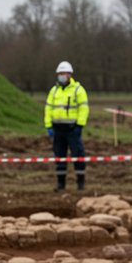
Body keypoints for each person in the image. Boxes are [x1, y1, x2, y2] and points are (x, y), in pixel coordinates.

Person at [44, 61, 89, 191]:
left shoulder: (78, 90)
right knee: (59, 157)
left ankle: (80, 184)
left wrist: (79, 126)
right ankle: (60, 184)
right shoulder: (54, 91)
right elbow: (48, 109)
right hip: (57, 130)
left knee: (78, 155)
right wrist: (49, 126)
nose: (61, 76)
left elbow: (83, 109)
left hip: (73, 129)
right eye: (59, 74)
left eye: (63, 73)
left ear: (70, 74)